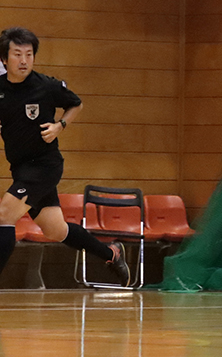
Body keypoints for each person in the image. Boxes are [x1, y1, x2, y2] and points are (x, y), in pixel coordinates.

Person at [0, 27, 130, 286]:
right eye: (17, 54)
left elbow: (76, 104)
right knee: (55, 230)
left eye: (29, 54)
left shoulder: (46, 86)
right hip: (21, 168)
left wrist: (60, 125)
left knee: (4, 215)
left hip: (44, 166)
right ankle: (111, 254)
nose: (24, 60)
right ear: (4, 59)